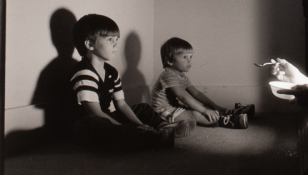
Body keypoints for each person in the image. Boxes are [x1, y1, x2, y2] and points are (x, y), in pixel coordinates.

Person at [69, 14, 195, 151]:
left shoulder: (112, 72)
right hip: (91, 122)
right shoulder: (84, 73)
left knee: (142, 108)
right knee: (94, 124)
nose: (116, 44)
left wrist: (139, 124)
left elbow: (121, 104)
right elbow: (95, 112)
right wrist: (127, 127)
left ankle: (162, 128)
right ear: (89, 44)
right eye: (110, 39)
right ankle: (147, 137)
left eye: (117, 39)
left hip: (109, 116)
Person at [151, 37, 254, 129]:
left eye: (190, 57)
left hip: (176, 108)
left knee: (206, 108)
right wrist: (204, 111)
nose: (189, 61)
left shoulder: (182, 76)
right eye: (184, 57)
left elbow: (196, 93)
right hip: (163, 112)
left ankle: (228, 112)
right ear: (170, 60)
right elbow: (183, 97)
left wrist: (214, 106)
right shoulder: (168, 75)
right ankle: (225, 121)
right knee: (195, 115)